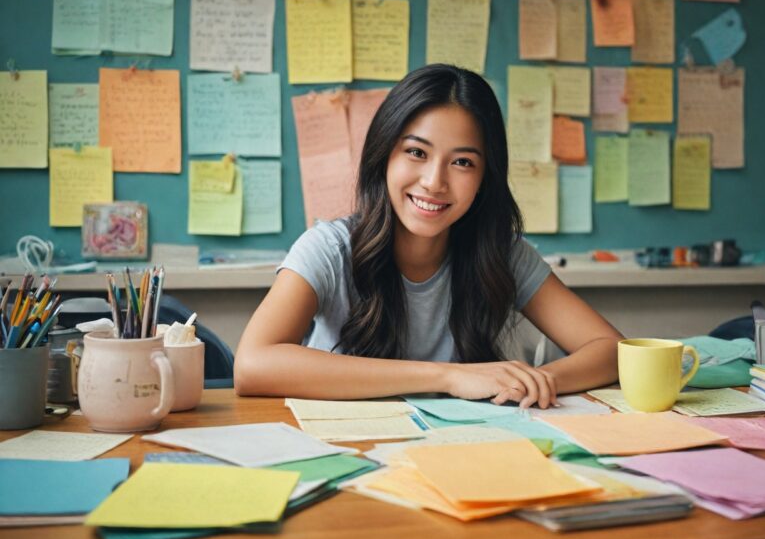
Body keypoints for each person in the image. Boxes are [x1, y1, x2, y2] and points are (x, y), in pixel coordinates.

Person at [235, 64, 621, 408]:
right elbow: (252, 365)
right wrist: (446, 377)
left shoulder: (502, 254)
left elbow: (613, 351)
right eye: (416, 153)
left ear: (485, 178)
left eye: (462, 162)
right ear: (384, 155)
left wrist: (533, 381)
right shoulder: (329, 248)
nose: (435, 182)